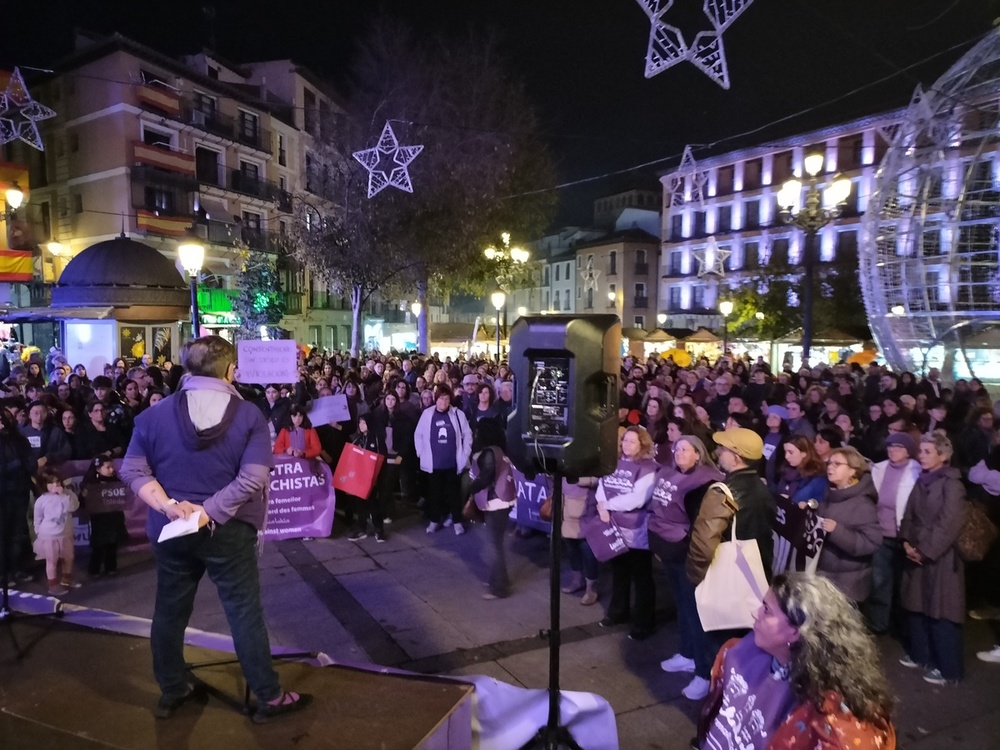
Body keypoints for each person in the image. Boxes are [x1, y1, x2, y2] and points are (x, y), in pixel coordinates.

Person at [120, 335, 310, 722]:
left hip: (171, 530)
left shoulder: (154, 415)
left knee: (170, 611)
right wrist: (208, 512)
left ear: (186, 368)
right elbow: (254, 477)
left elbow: (132, 470)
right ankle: (268, 697)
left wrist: (171, 507)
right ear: (229, 370)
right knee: (243, 612)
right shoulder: (249, 415)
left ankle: (173, 690)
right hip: (229, 529)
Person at [697, 572, 896, 750]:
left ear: (797, 631)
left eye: (767, 610)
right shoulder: (745, 650)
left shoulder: (832, 719)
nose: (755, 613)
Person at [687, 427, 776, 700]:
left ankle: (716, 696)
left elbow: (704, 543)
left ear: (736, 456)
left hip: (725, 577)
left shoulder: (723, 491)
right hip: (755, 575)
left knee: (717, 640)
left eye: (724, 449)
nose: (719, 453)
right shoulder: (761, 486)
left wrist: (696, 575)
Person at [649, 435, 724, 699]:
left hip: (686, 552)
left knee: (695, 611)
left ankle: (704, 673)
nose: (679, 453)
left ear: (698, 454)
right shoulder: (668, 474)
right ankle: (687, 653)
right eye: (677, 448)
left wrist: (684, 547)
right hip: (668, 548)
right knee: (682, 605)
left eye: (686, 449)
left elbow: (701, 525)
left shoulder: (704, 482)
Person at [898, 432, 967, 685]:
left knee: (942, 612)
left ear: (944, 455)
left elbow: (950, 523)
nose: (921, 456)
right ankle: (922, 655)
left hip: (941, 559)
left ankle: (949, 669)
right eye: (921, 451)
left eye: (928, 452)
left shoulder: (952, 484)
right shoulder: (922, 480)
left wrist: (925, 550)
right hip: (917, 552)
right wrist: (905, 542)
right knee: (917, 607)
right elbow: (908, 516)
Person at [596, 426, 658, 641]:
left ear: (643, 444)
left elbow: (637, 499)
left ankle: (643, 622)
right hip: (614, 527)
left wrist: (607, 505)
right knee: (619, 572)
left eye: (632, 441)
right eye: (625, 441)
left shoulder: (648, 468)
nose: (627, 445)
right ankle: (618, 612)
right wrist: (601, 505)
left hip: (638, 531)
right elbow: (602, 486)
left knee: (641, 577)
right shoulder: (615, 463)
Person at [867, 433, 921, 635]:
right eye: (890, 446)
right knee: (880, 581)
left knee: (904, 583)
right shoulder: (879, 469)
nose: (892, 450)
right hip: (882, 533)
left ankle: (900, 625)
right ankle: (879, 624)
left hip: (905, 535)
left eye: (898, 446)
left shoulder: (917, 471)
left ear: (908, 450)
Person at [816, 447, 882, 604]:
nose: (830, 467)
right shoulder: (830, 495)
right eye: (829, 463)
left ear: (853, 471)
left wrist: (837, 531)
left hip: (847, 586)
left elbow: (872, 543)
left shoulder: (863, 504)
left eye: (837, 464)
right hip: (825, 578)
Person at [466, 418, 516, 600]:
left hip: (496, 502)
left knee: (495, 546)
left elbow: (485, 478)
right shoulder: (500, 450)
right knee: (497, 544)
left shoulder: (489, 452)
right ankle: (499, 579)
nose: (475, 434)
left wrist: (469, 490)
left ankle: (499, 587)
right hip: (503, 501)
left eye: (478, 431)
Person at [414, 385, 473, 535]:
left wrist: (465, 453)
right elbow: (418, 434)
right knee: (435, 494)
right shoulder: (427, 414)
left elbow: (468, 435)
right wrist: (421, 452)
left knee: (454, 494)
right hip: (433, 464)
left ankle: (456, 521)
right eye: (441, 398)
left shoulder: (458, 414)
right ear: (436, 399)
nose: (444, 402)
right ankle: (434, 520)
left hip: (453, 463)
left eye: (447, 399)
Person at [32, 466, 80, 595]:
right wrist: (38, 532)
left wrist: (63, 494)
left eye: (57, 481)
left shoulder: (68, 494)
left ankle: (67, 578)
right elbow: (37, 518)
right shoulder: (41, 500)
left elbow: (73, 507)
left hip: (66, 534)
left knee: (68, 557)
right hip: (49, 536)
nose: (55, 485)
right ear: (44, 485)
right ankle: (53, 584)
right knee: (51, 561)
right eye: (50, 482)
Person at [81, 455, 129, 578]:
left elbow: (123, 496)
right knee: (99, 544)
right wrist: (84, 495)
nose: (111, 470)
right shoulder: (90, 483)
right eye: (108, 467)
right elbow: (82, 501)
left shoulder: (116, 481)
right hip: (100, 519)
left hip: (114, 517)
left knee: (113, 542)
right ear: (98, 469)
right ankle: (94, 570)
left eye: (112, 466)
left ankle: (111, 567)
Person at [345, 415, 390, 543]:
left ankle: (379, 529)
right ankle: (361, 528)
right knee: (360, 504)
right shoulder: (358, 439)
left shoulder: (376, 438)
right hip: (359, 478)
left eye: (364, 423)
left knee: (373, 504)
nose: (361, 425)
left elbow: (382, 457)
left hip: (373, 479)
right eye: (360, 423)